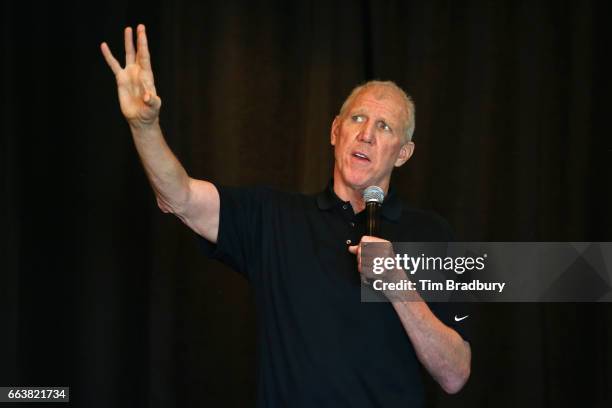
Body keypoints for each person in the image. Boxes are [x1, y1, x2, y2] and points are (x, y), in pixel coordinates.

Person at [101, 24, 471, 407]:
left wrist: (398, 285)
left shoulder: (431, 232)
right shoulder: (275, 218)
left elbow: (455, 374)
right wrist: (144, 126)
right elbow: (179, 197)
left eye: (384, 126)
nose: (366, 135)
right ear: (335, 130)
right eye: (358, 119)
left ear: (403, 153)